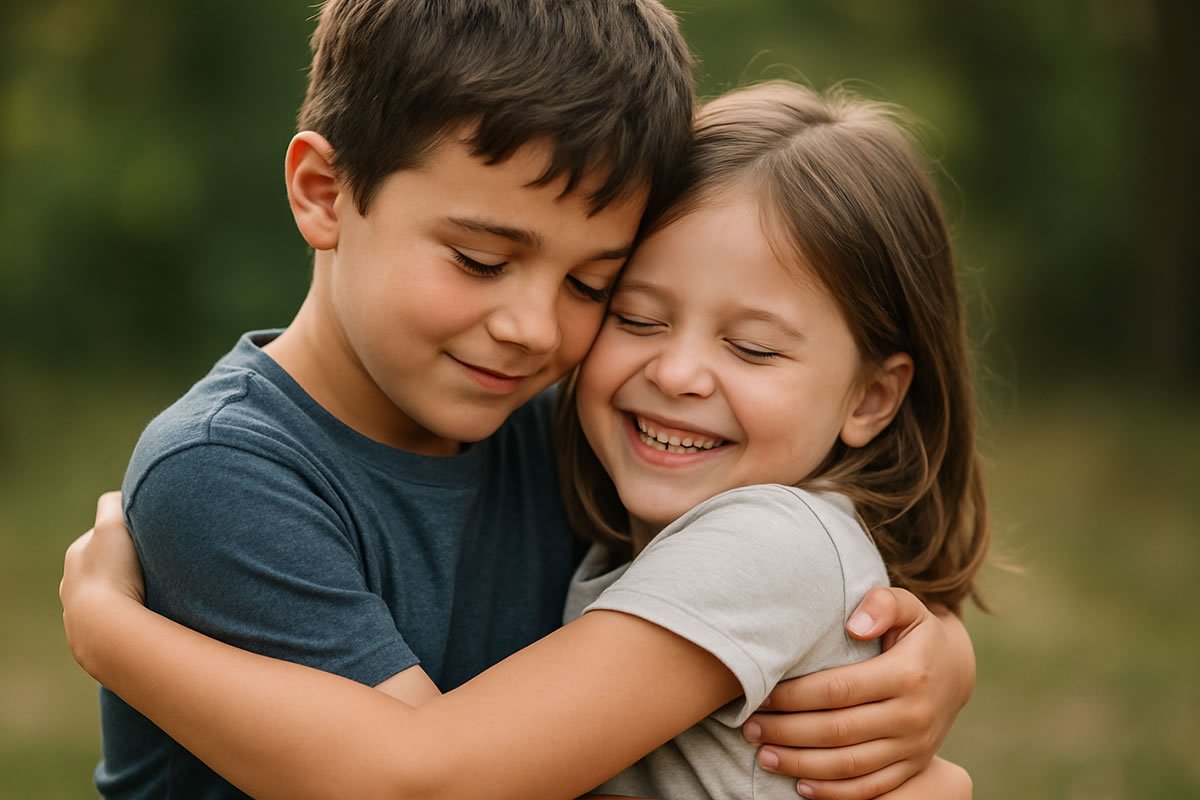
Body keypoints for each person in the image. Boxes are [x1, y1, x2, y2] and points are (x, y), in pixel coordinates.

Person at [63, 79, 984, 799]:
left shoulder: (725, 516)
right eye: (633, 313)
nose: (534, 329)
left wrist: (113, 634)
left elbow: (430, 782)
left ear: (873, 397)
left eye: (588, 285)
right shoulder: (234, 472)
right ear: (322, 192)